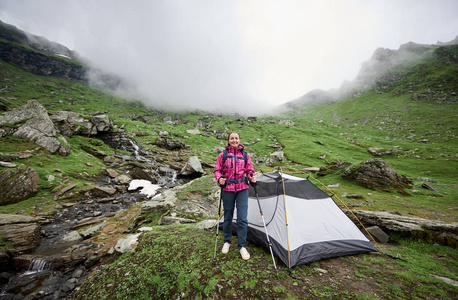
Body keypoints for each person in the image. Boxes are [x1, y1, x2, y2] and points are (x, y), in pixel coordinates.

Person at [214, 131, 256, 260]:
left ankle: (242, 246)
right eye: (232, 138)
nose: (234, 140)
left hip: (242, 188)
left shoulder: (245, 155)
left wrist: (251, 176)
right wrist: (219, 178)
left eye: (236, 138)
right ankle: (227, 241)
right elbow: (217, 170)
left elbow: (249, 169)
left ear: (239, 140)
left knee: (242, 218)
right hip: (228, 188)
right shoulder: (223, 155)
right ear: (228, 140)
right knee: (228, 216)